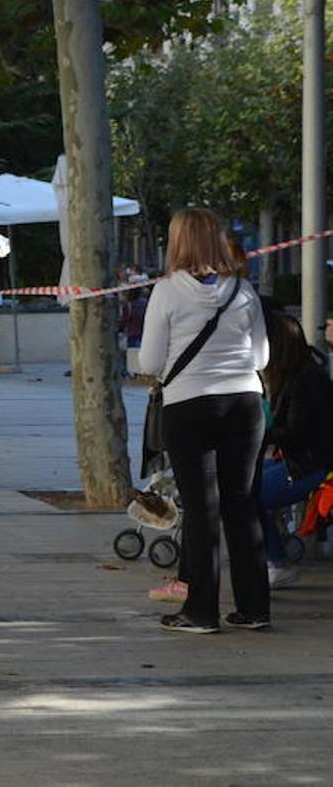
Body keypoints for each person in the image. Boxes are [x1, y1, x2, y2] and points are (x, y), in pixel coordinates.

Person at [139, 208, 269, 634]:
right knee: (241, 503)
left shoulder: (167, 293)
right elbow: (261, 358)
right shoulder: (244, 291)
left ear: (178, 243)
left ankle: (200, 612)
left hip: (189, 404)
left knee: (201, 509)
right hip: (245, 403)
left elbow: (150, 361)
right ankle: (253, 608)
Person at [254, 313, 333, 589]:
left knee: (248, 496)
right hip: (302, 459)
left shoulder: (305, 380)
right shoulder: (299, 374)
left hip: (311, 464)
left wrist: (257, 436)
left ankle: (276, 561)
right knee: (242, 487)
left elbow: (298, 433)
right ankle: (275, 556)